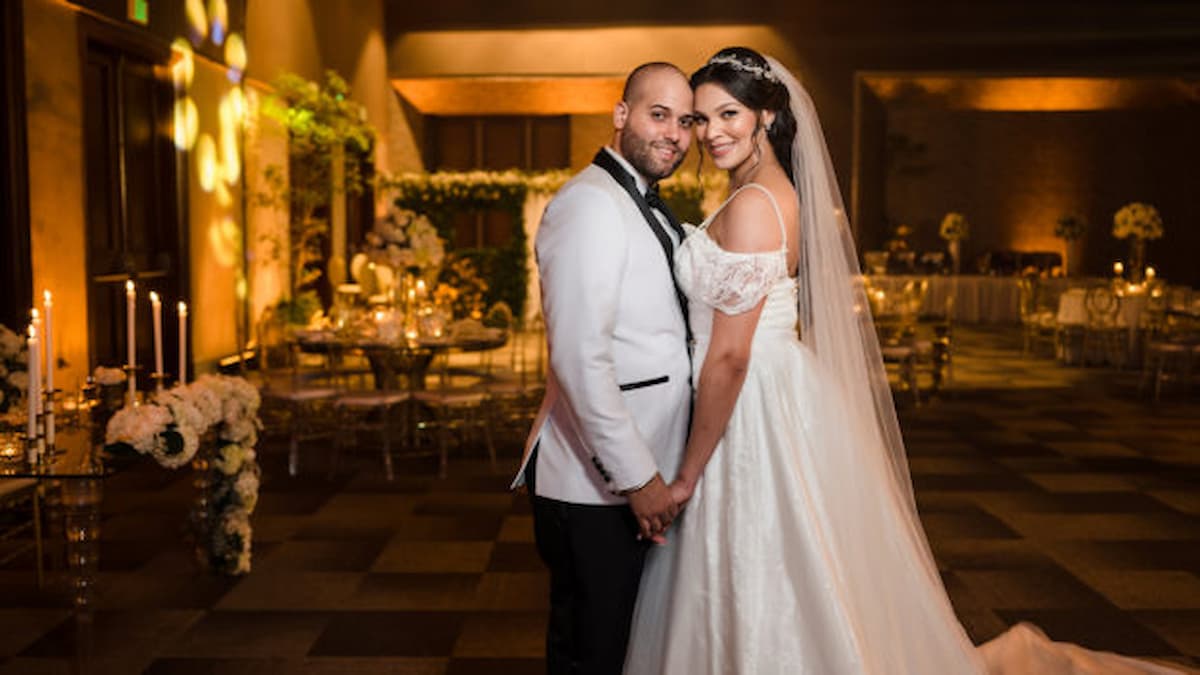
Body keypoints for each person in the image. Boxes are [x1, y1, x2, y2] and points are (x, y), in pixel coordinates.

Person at [623, 47, 1187, 675]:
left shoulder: (757, 204)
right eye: (700, 119)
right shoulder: (761, 188)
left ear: (766, 113)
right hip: (771, 390)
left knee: (757, 561)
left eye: (727, 113)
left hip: (749, 401)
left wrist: (687, 476)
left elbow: (729, 357)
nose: (711, 132)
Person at [511, 62, 695, 675]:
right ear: (621, 116)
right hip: (596, 485)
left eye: (685, 120)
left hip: (633, 473)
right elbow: (578, 357)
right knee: (592, 653)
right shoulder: (589, 204)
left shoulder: (636, 201)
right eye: (658, 114)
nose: (674, 132)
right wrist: (638, 478)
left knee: (618, 649)